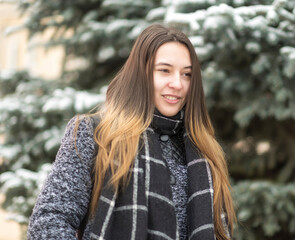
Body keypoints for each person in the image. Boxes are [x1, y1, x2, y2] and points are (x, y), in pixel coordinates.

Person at [27, 24, 236, 240]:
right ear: (141, 73)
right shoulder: (95, 134)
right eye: (164, 70)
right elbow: (48, 222)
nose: (177, 84)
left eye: (187, 74)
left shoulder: (205, 152)